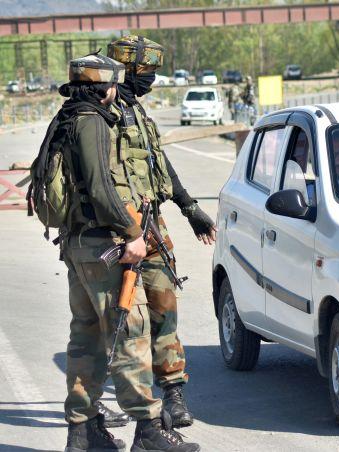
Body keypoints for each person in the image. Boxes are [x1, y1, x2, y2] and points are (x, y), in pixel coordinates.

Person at [49, 53, 199, 451]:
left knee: (86, 338)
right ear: (105, 87)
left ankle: (83, 433)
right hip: (105, 247)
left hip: (77, 244)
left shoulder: (64, 118)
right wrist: (133, 233)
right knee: (128, 333)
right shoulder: (92, 122)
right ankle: (149, 430)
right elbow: (102, 189)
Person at [106, 35, 216, 430]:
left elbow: (156, 160)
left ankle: (172, 392)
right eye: (145, 72)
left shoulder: (135, 111)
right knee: (123, 319)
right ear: (125, 70)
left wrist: (188, 206)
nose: (151, 80)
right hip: (118, 232)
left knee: (164, 308)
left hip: (152, 225)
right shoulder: (100, 113)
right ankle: (126, 401)